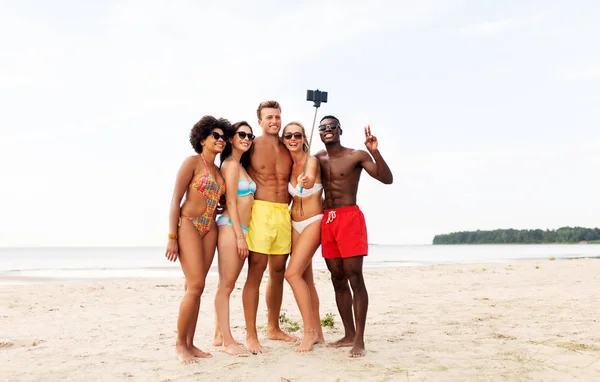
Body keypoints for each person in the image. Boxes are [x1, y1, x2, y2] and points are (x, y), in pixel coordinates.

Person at [315, 115, 393, 358]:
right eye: (323, 127)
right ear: (319, 133)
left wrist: (375, 152)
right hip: (327, 219)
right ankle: (348, 333)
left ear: (340, 130)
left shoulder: (356, 155)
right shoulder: (317, 158)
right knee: (337, 278)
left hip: (349, 217)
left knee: (354, 277)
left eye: (332, 127)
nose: (328, 130)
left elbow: (386, 179)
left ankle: (359, 339)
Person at [165, 116, 229, 364]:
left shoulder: (218, 170)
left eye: (223, 137)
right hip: (189, 224)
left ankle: (191, 343)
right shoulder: (192, 162)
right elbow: (175, 200)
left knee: (197, 288)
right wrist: (172, 236)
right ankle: (180, 345)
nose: (221, 140)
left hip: (209, 228)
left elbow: (219, 199)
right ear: (202, 139)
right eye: (216, 135)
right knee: (195, 284)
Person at [243, 100, 295, 353]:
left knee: (278, 271)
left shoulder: (290, 147)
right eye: (269, 117)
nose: (274, 121)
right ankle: (251, 335)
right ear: (260, 122)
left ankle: (273, 327)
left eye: (277, 116)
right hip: (260, 211)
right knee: (256, 269)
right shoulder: (250, 146)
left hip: (283, 212)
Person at [212, 121, 256, 356]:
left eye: (250, 135)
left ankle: (219, 334)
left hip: (242, 229)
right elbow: (230, 202)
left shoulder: (241, 165)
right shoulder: (229, 165)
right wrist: (240, 237)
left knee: (225, 284)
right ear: (231, 138)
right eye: (241, 134)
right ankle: (228, 340)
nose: (247, 138)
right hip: (231, 228)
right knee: (226, 286)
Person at [281, 122, 326, 352]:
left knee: (292, 274)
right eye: (288, 135)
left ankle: (308, 332)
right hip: (294, 224)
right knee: (306, 280)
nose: (292, 138)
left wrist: (305, 181)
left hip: (313, 222)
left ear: (304, 138)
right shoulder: (287, 165)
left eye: (297, 134)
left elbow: (309, 177)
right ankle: (317, 332)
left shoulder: (312, 161)